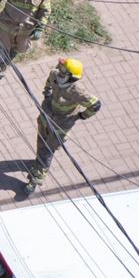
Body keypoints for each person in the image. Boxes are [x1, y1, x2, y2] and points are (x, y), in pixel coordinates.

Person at [24, 58, 100, 195]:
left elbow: (95, 105)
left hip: (60, 126)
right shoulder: (55, 74)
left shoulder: (78, 91)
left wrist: (83, 116)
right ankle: (38, 161)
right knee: (41, 143)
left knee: (47, 152)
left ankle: (36, 179)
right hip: (46, 117)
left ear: (72, 78)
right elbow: (49, 83)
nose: (59, 74)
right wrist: (47, 93)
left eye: (63, 74)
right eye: (60, 70)